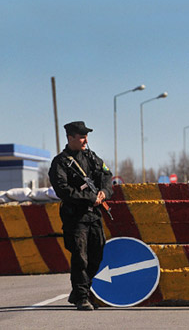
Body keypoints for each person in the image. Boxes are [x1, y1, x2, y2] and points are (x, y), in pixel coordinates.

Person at [48, 121, 113, 311]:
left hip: (94, 215)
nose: (85, 140)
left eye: (86, 137)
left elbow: (107, 177)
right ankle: (82, 297)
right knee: (80, 257)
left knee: (97, 255)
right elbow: (63, 189)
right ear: (70, 138)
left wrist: (103, 193)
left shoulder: (91, 157)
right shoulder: (60, 162)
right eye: (82, 137)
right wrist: (89, 198)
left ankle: (78, 292)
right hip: (75, 217)